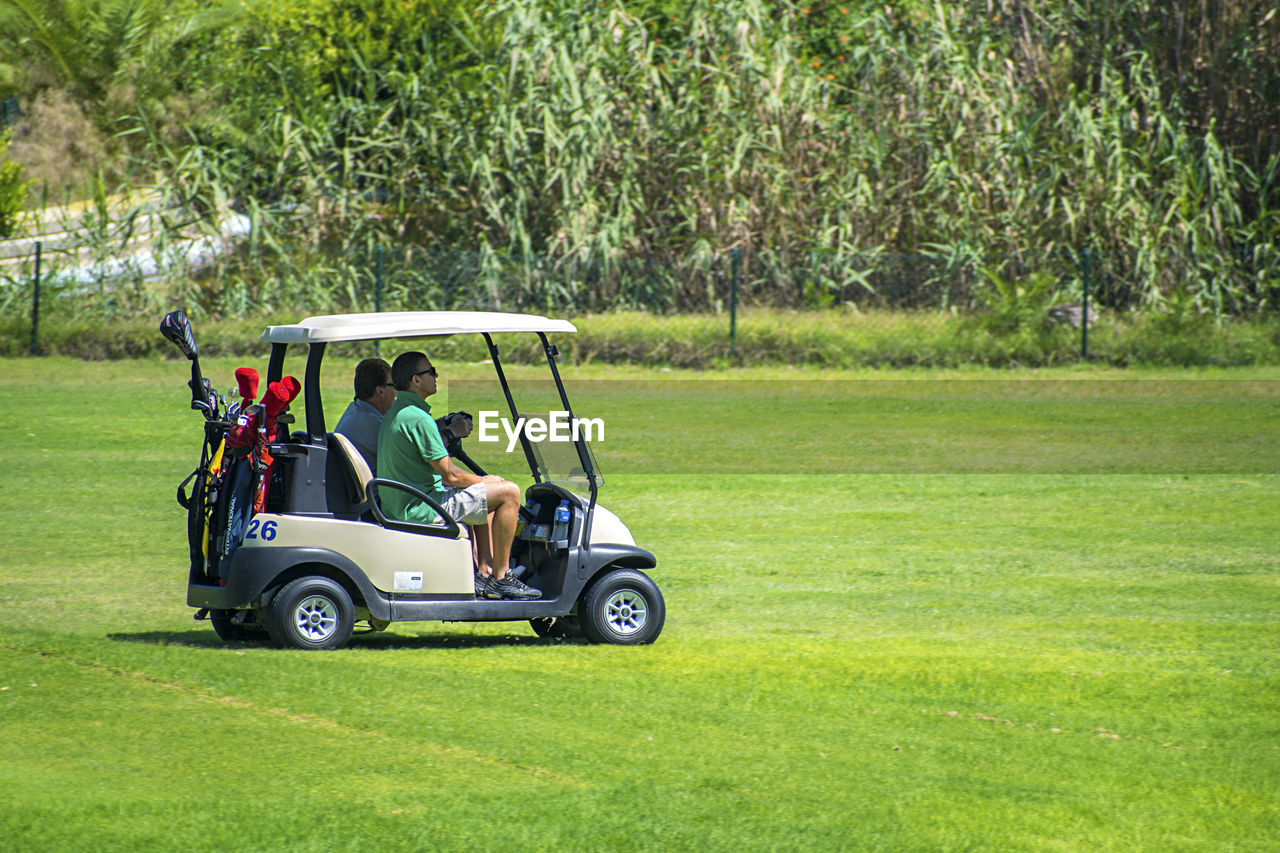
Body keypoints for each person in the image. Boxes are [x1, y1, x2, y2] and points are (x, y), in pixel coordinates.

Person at [376, 351, 540, 601]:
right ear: (416, 380)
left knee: (490, 489)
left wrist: (485, 483)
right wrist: (485, 482)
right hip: (421, 508)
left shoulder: (402, 411)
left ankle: (484, 572)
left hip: (409, 501)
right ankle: (501, 578)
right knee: (509, 492)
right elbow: (450, 476)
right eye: (431, 371)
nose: (436, 376)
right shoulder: (417, 418)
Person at [334, 358, 396, 471]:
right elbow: (416, 454)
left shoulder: (355, 410)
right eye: (394, 385)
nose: (396, 392)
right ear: (380, 390)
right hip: (381, 487)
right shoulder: (375, 426)